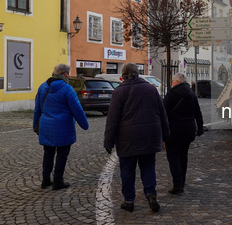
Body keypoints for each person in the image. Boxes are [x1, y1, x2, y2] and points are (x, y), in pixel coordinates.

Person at [104, 63, 169, 213]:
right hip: (150, 135)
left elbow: (112, 119)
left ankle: (129, 201)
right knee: (148, 166)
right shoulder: (151, 89)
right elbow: (162, 113)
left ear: (123, 76)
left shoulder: (119, 92)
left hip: (127, 138)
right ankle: (151, 194)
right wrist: (166, 135)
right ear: (137, 74)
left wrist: (108, 140)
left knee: (127, 169)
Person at [33, 63, 88, 190]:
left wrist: (35, 125)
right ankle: (58, 181)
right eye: (68, 73)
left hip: (46, 126)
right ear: (63, 74)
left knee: (48, 153)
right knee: (62, 155)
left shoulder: (43, 87)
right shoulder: (67, 89)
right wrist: (84, 125)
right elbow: (77, 110)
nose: (69, 76)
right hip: (63, 127)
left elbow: (37, 109)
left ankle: (46, 179)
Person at [163, 72, 204, 195]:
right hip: (188, 130)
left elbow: (164, 114)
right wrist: (200, 127)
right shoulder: (192, 95)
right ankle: (182, 180)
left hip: (174, 131)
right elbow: (198, 113)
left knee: (173, 157)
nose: (171, 84)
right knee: (183, 156)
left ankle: (178, 184)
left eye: (172, 82)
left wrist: (162, 131)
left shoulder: (171, 95)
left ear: (176, 82)